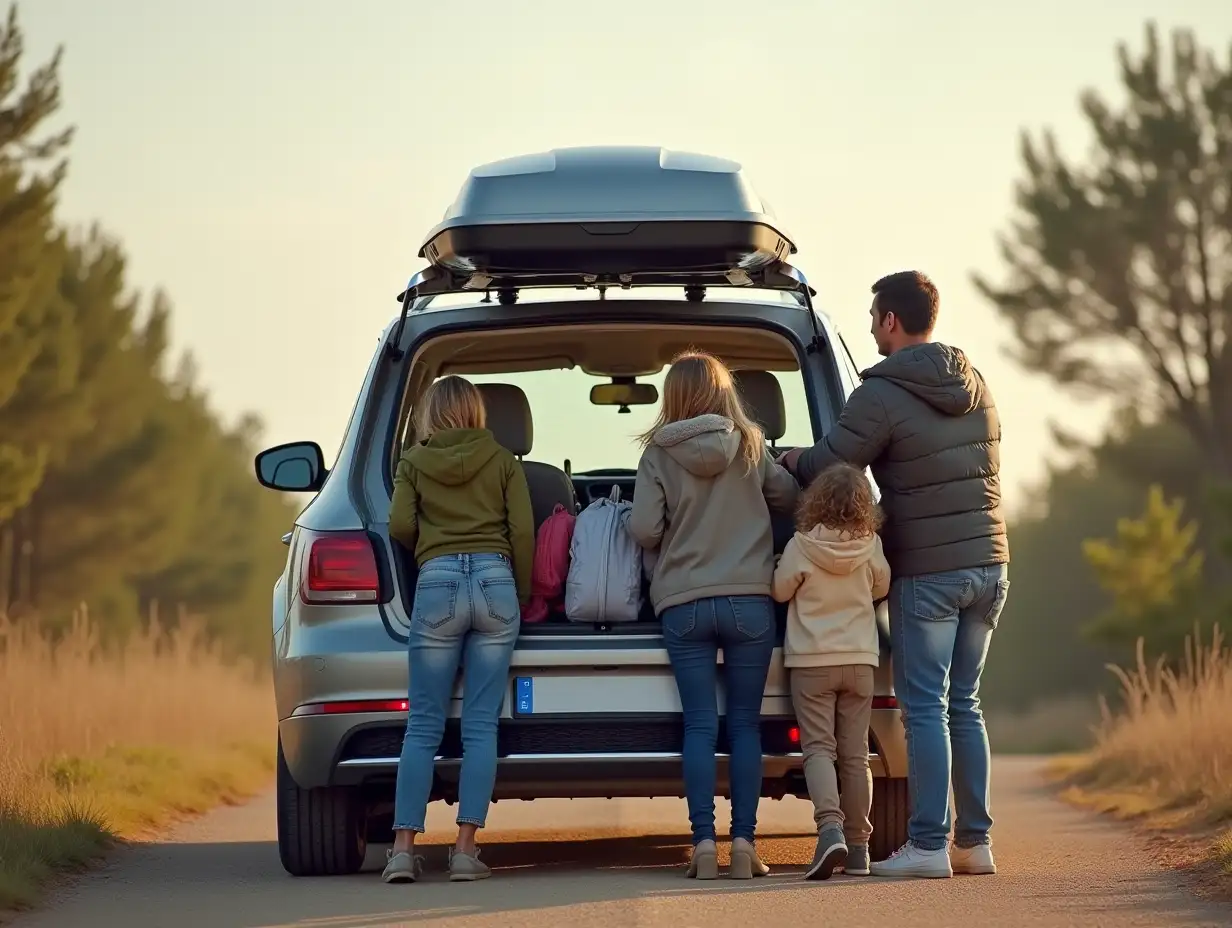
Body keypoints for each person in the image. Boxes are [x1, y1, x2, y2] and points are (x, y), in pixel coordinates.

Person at [779, 271, 1008, 879]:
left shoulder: (880, 392)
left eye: (874, 316)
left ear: (891, 321)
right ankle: (974, 843)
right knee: (967, 703)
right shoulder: (974, 382)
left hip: (929, 571)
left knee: (926, 707)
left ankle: (929, 845)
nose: (870, 328)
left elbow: (833, 461)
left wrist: (792, 458)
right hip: (989, 562)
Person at [628, 350, 798, 880]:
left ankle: (703, 844)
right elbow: (790, 498)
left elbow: (643, 530)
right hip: (749, 601)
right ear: (724, 393)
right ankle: (744, 844)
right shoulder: (750, 445)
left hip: (683, 604)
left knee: (700, 726)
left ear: (671, 397)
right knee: (744, 725)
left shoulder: (657, 454)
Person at [383, 375, 534, 884]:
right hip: (495, 582)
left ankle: (403, 849)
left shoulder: (413, 463)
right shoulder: (503, 461)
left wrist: (432, 538)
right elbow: (523, 532)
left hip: (437, 583)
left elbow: (399, 525)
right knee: (480, 726)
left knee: (423, 724)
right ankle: (465, 850)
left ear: (430, 416)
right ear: (475, 412)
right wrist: (526, 594)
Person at [772, 463, 890, 881]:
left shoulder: (801, 546)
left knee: (819, 750)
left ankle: (830, 830)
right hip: (859, 662)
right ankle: (859, 850)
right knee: (856, 755)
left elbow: (780, 590)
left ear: (816, 500)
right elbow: (882, 587)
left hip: (812, 663)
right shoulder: (871, 544)